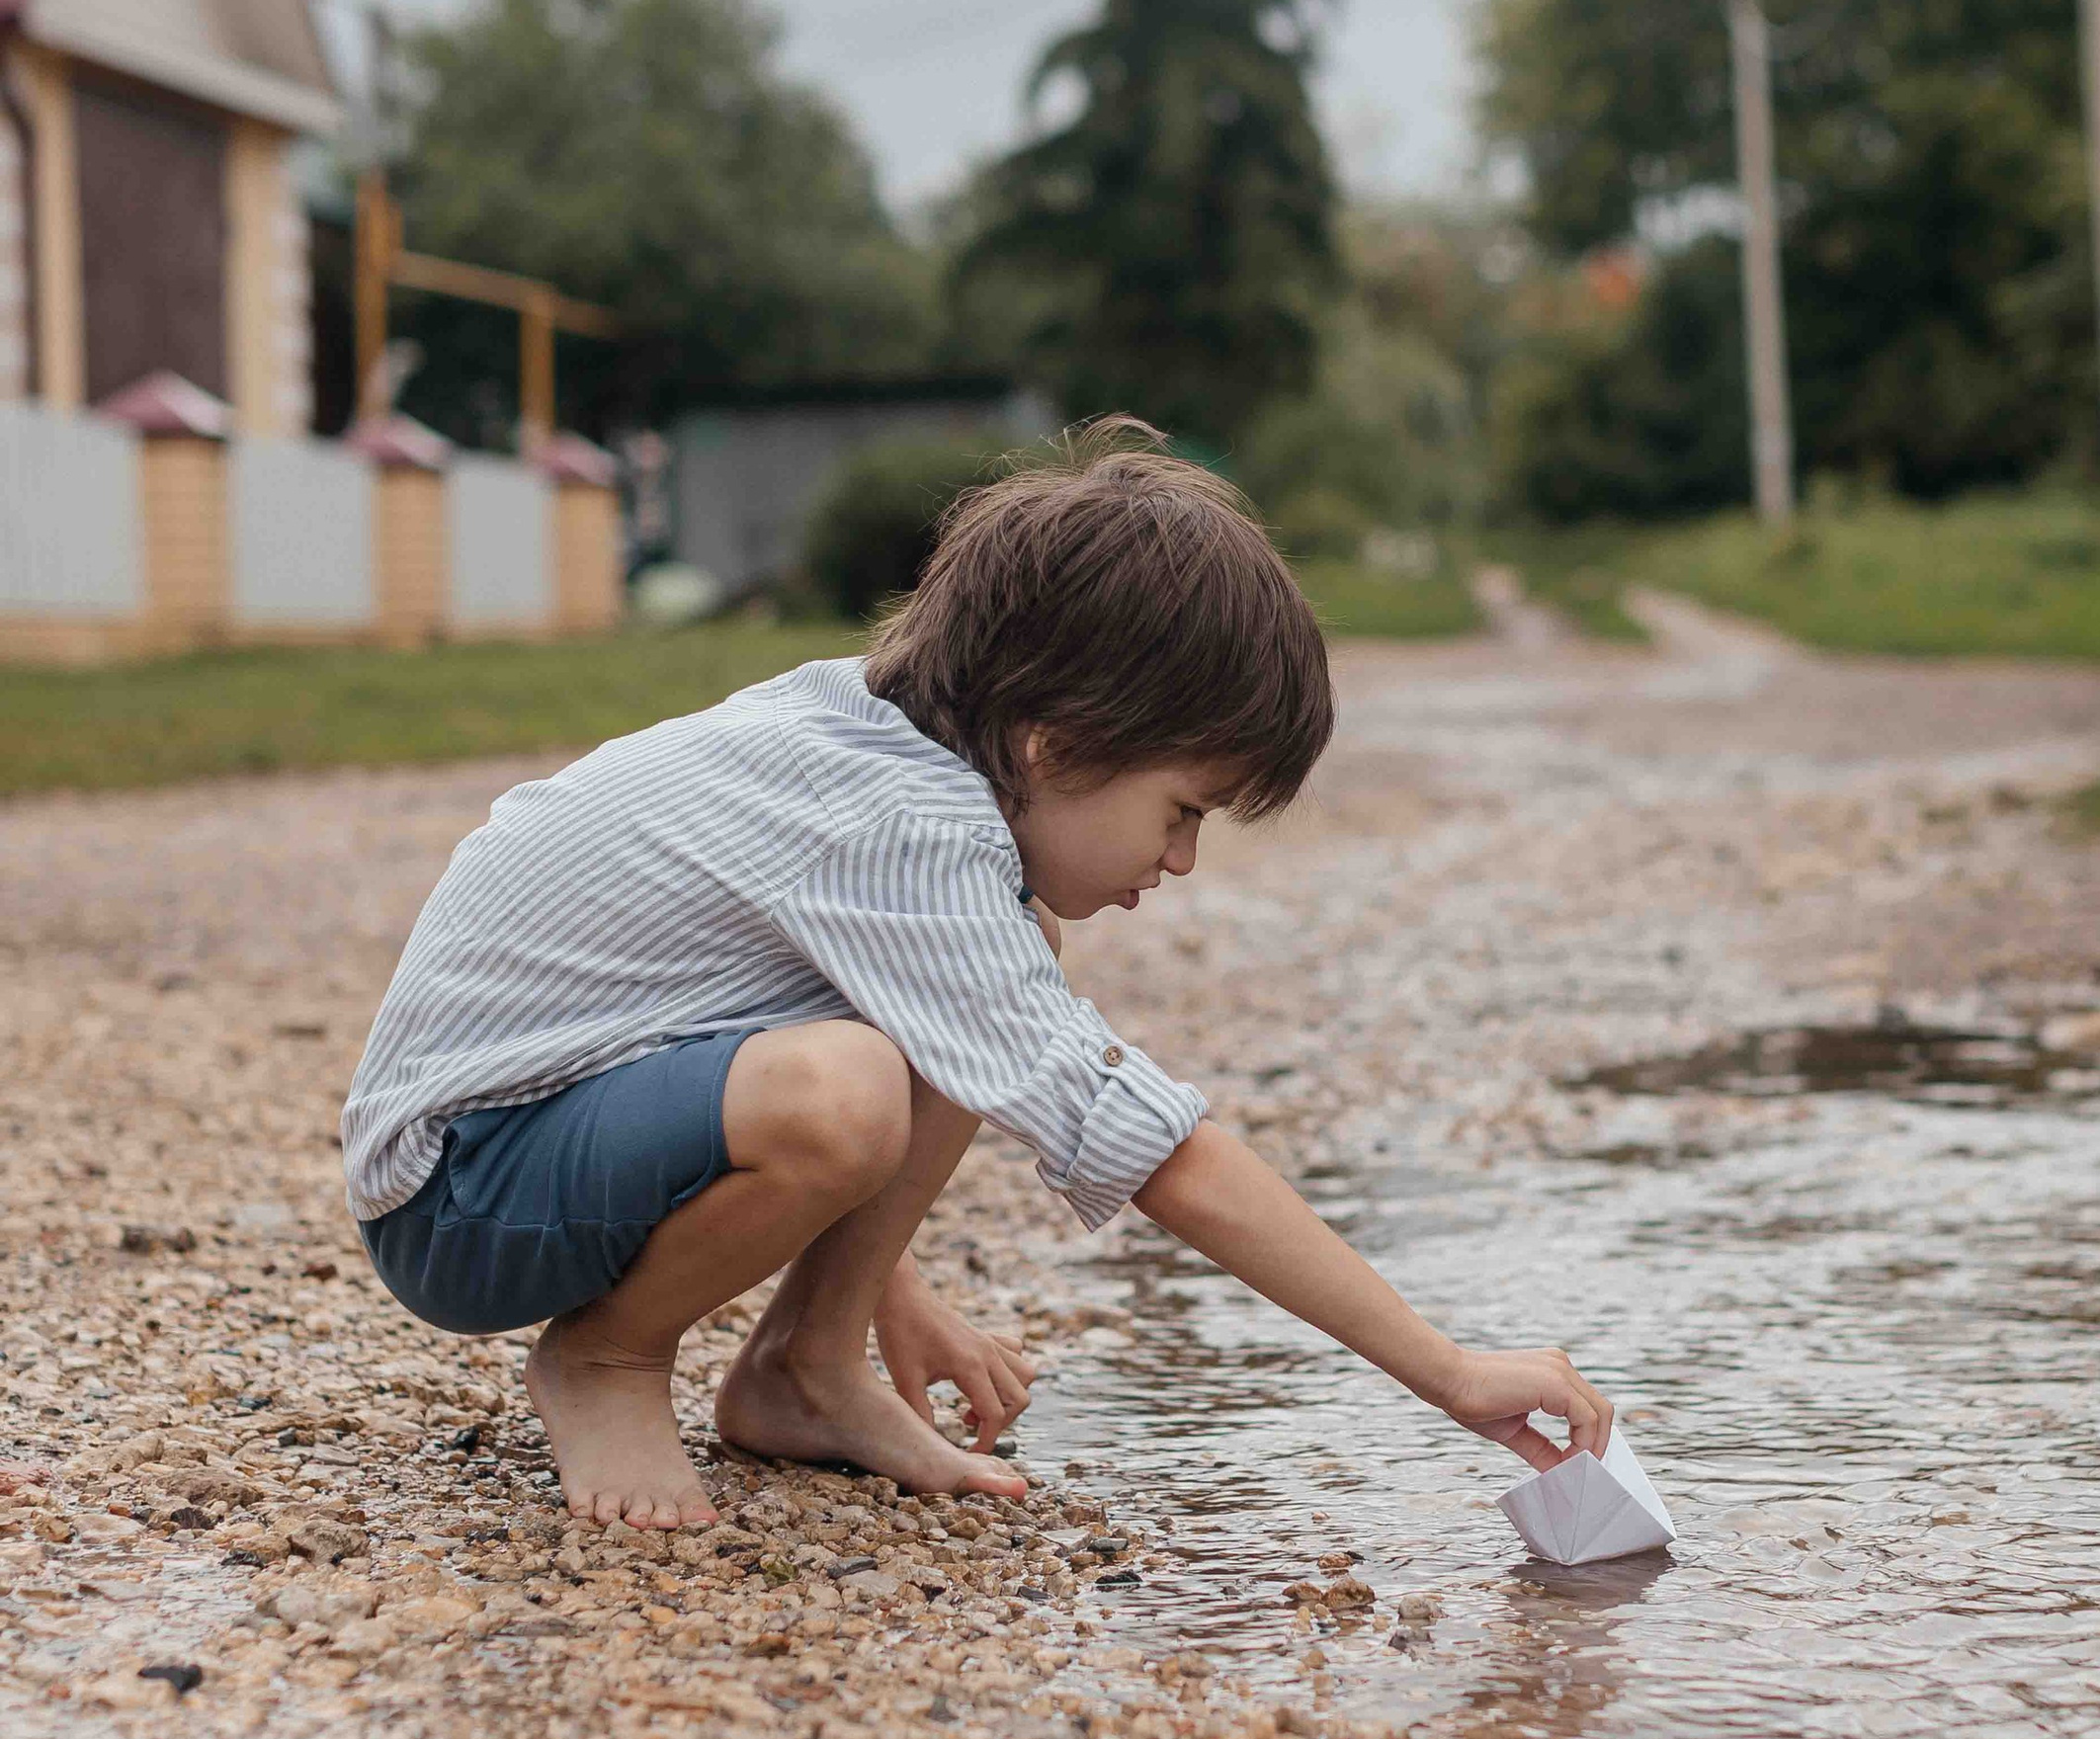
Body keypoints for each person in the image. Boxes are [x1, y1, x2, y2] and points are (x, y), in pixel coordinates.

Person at [341, 428, 1613, 1531]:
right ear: (1052, 741)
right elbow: (1155, 1151)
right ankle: (608, 1360)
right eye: (1181, 811)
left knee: (989, 990)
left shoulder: (872, 751)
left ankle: (805, 1365)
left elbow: (686, 1039)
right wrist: (1446, 1370)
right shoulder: (901, 824)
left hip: (560, 1124)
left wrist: (881, 1279)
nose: (1178, 861)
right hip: (460, 1191)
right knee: (844, 1091)